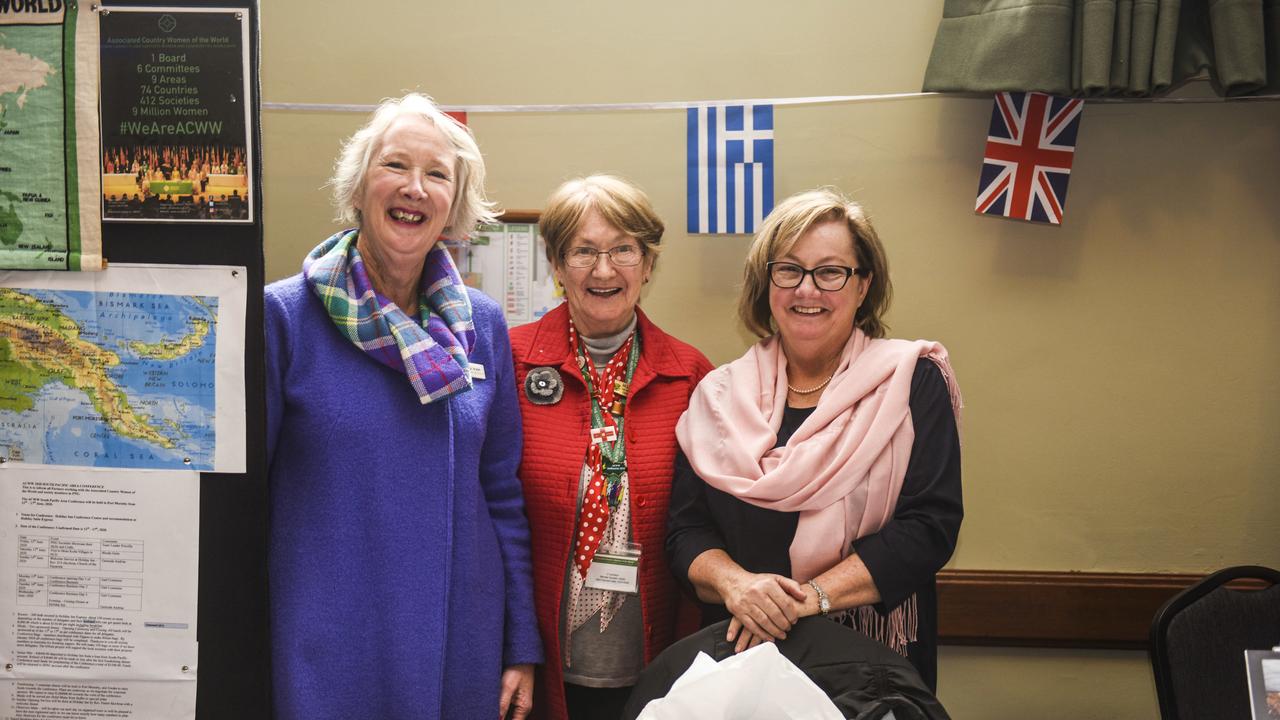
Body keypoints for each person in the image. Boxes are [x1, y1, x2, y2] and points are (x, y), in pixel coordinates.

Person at [265, 93, 542, 720]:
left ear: (455, 205)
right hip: (328, 649)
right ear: (359, 188)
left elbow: (501, 495)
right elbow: (244, 504)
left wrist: (519, 644)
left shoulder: (483, 326)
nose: (415, 187)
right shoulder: (285, 317)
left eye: (437, 174)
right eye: (395, 166)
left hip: (457, 645)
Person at [666, 188, 962, 690]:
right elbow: (686, 532)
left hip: (869, 666)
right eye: (789, 270)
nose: (808, 290)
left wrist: (807, 600)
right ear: (767, 283)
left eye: (830, 272)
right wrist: (737, 586)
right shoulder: (717, 395)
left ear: (863, 284)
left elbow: (929, 526)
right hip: (739, 659)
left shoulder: (911, 382)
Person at [510, 175, 713, 719]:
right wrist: (512, 646)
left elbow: (708, 522)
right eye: (583, 251)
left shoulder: (691, 376)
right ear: (556, 266)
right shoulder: (510, 362)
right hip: (538, 661)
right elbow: (489, 521)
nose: (604, 270)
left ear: (648, 265)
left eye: (624, 249)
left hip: (659, 657)